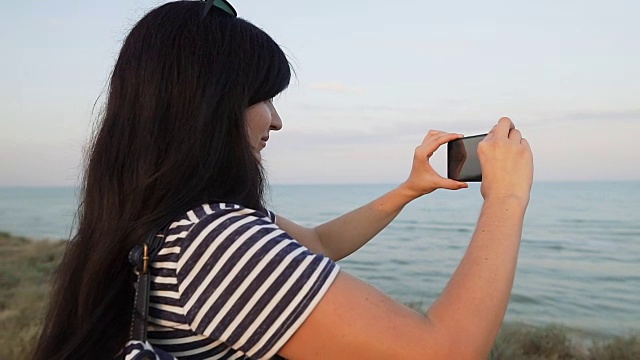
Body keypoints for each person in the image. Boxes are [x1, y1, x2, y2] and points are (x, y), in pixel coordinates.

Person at [33, 1, 533, 359]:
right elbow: (442, 350)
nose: (275, 121)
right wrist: (506, 197)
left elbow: (317, 242)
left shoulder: (167, 222)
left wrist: (409, 188)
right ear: (210, 107)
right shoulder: (213, 242)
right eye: (264, 99)